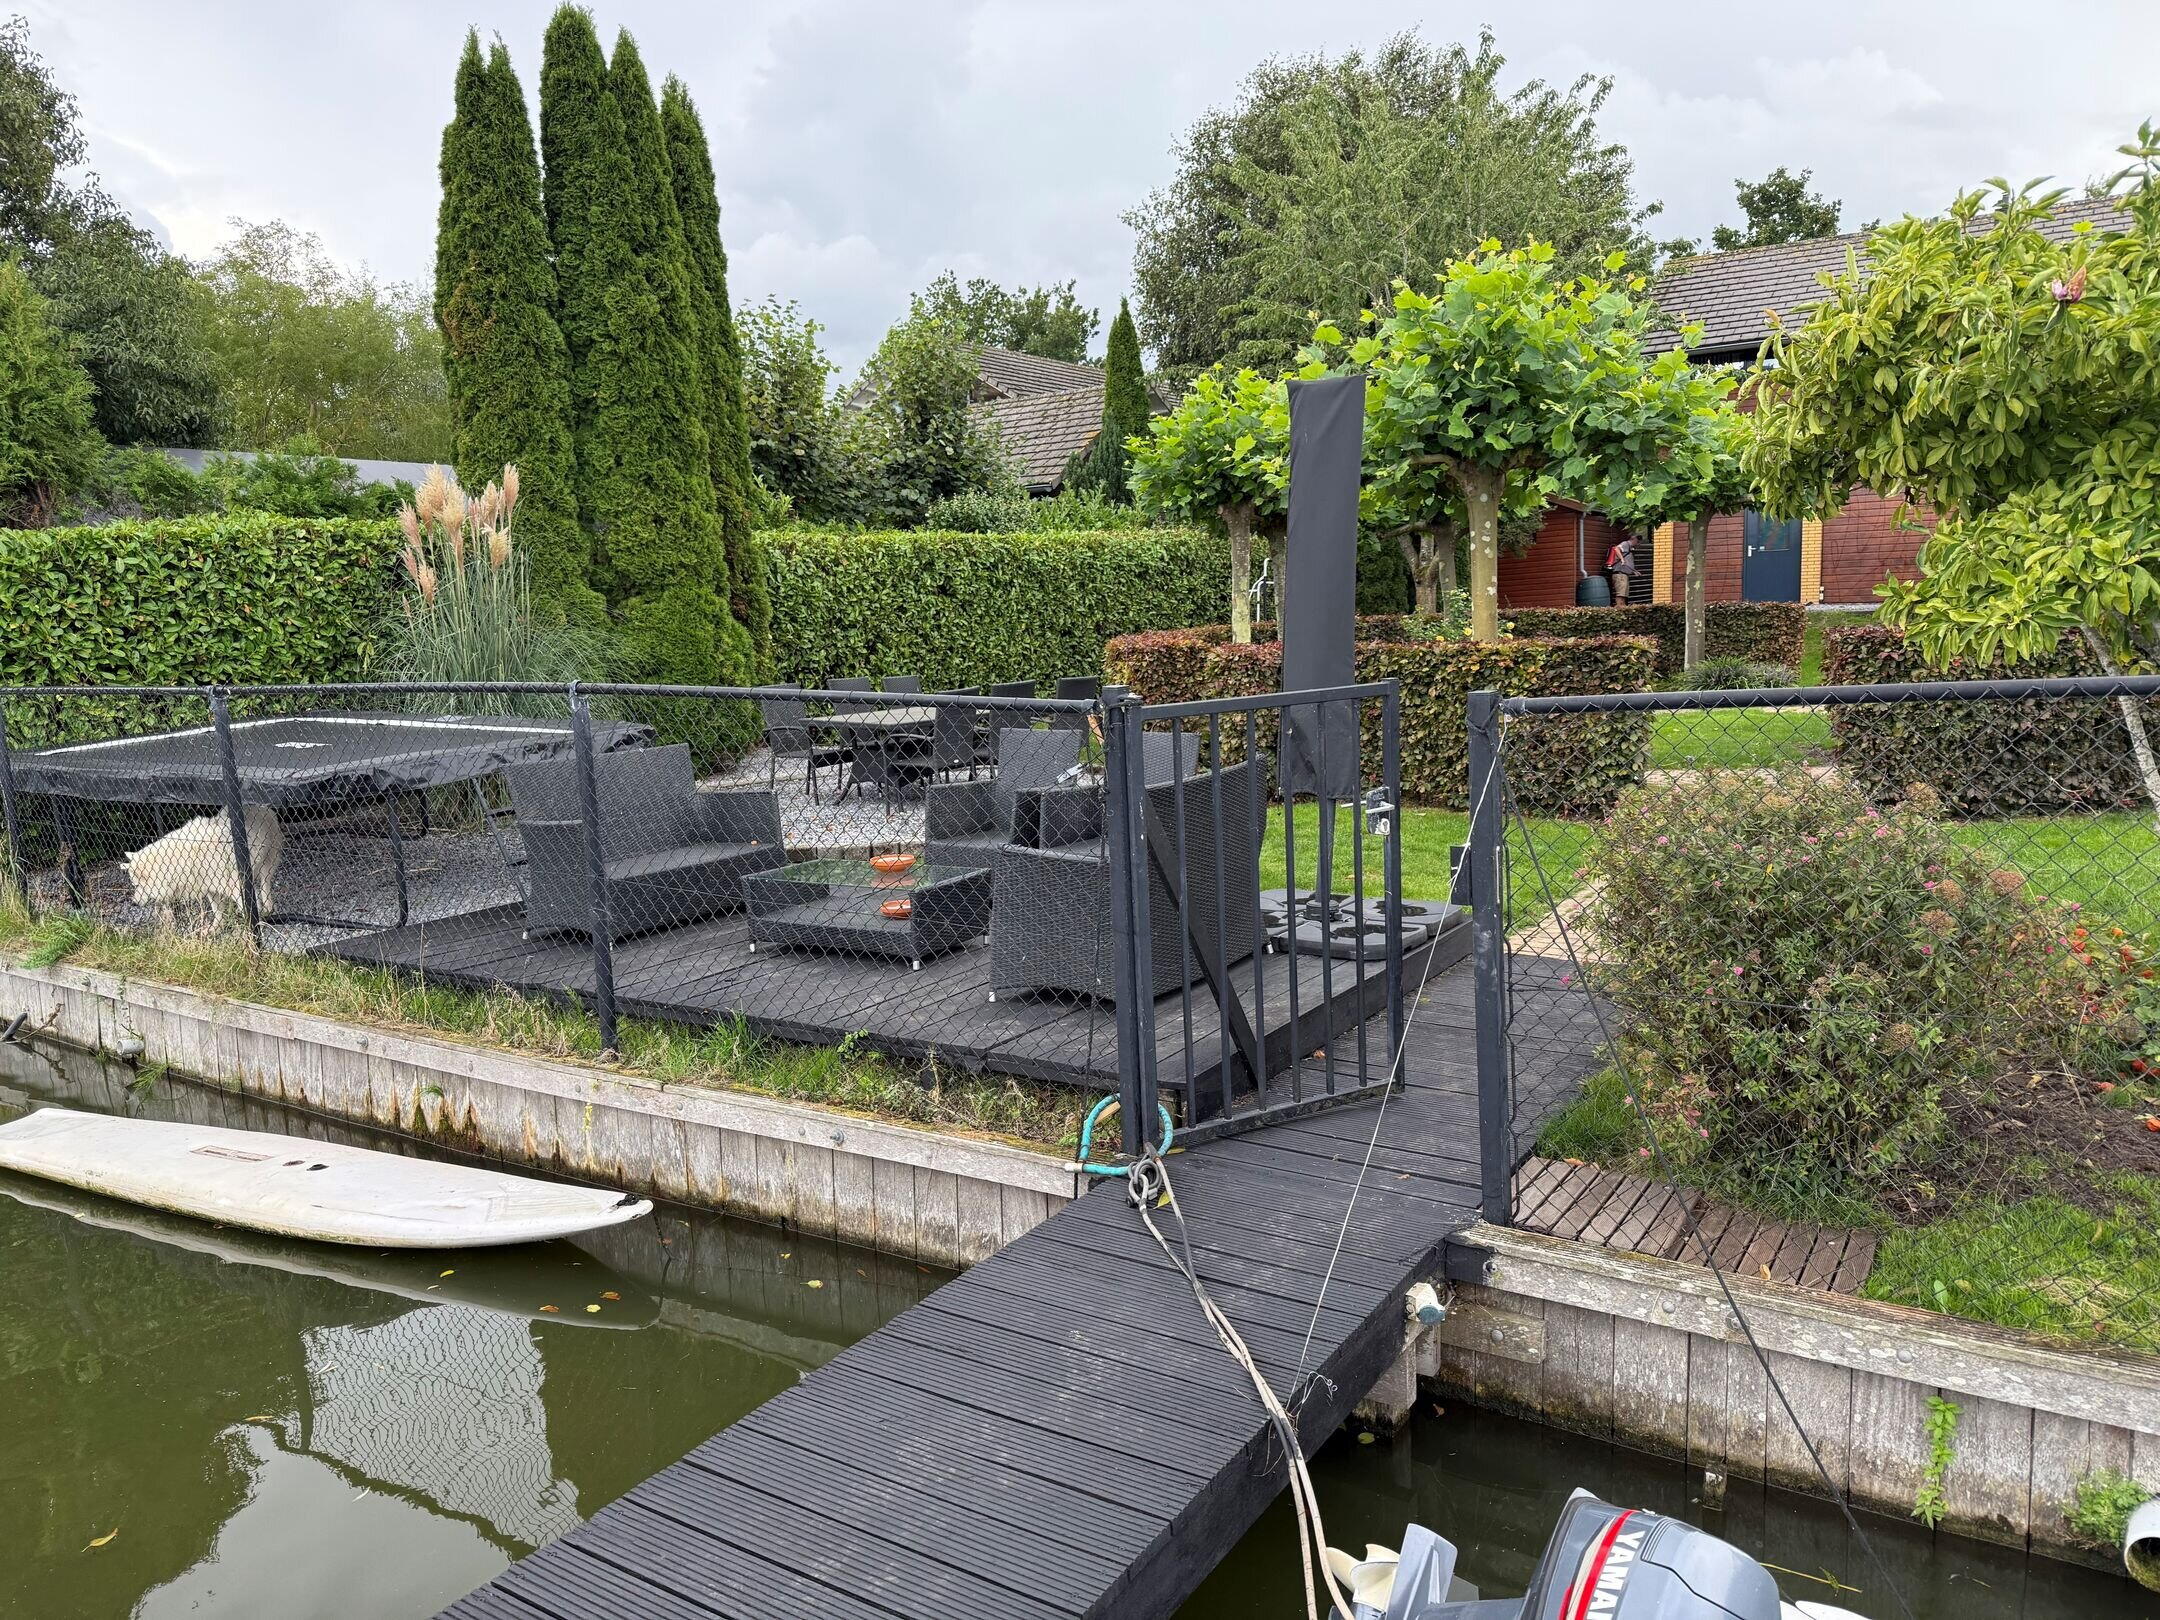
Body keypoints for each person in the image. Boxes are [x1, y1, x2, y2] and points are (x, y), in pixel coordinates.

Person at [1606, 533, 1638, 604]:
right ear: (1634, 539)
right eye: (1637, 541)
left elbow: (1627, 563)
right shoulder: (1625, 544)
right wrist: (1622, 559)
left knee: (1624, 595)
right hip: (1620, 574)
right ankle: (1619, 608)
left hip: (1624, 575)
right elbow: (1616, 549)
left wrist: (1634, 571)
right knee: (1620, 594)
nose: (1638, 543)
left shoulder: (1630, 548)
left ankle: (1622, 608)